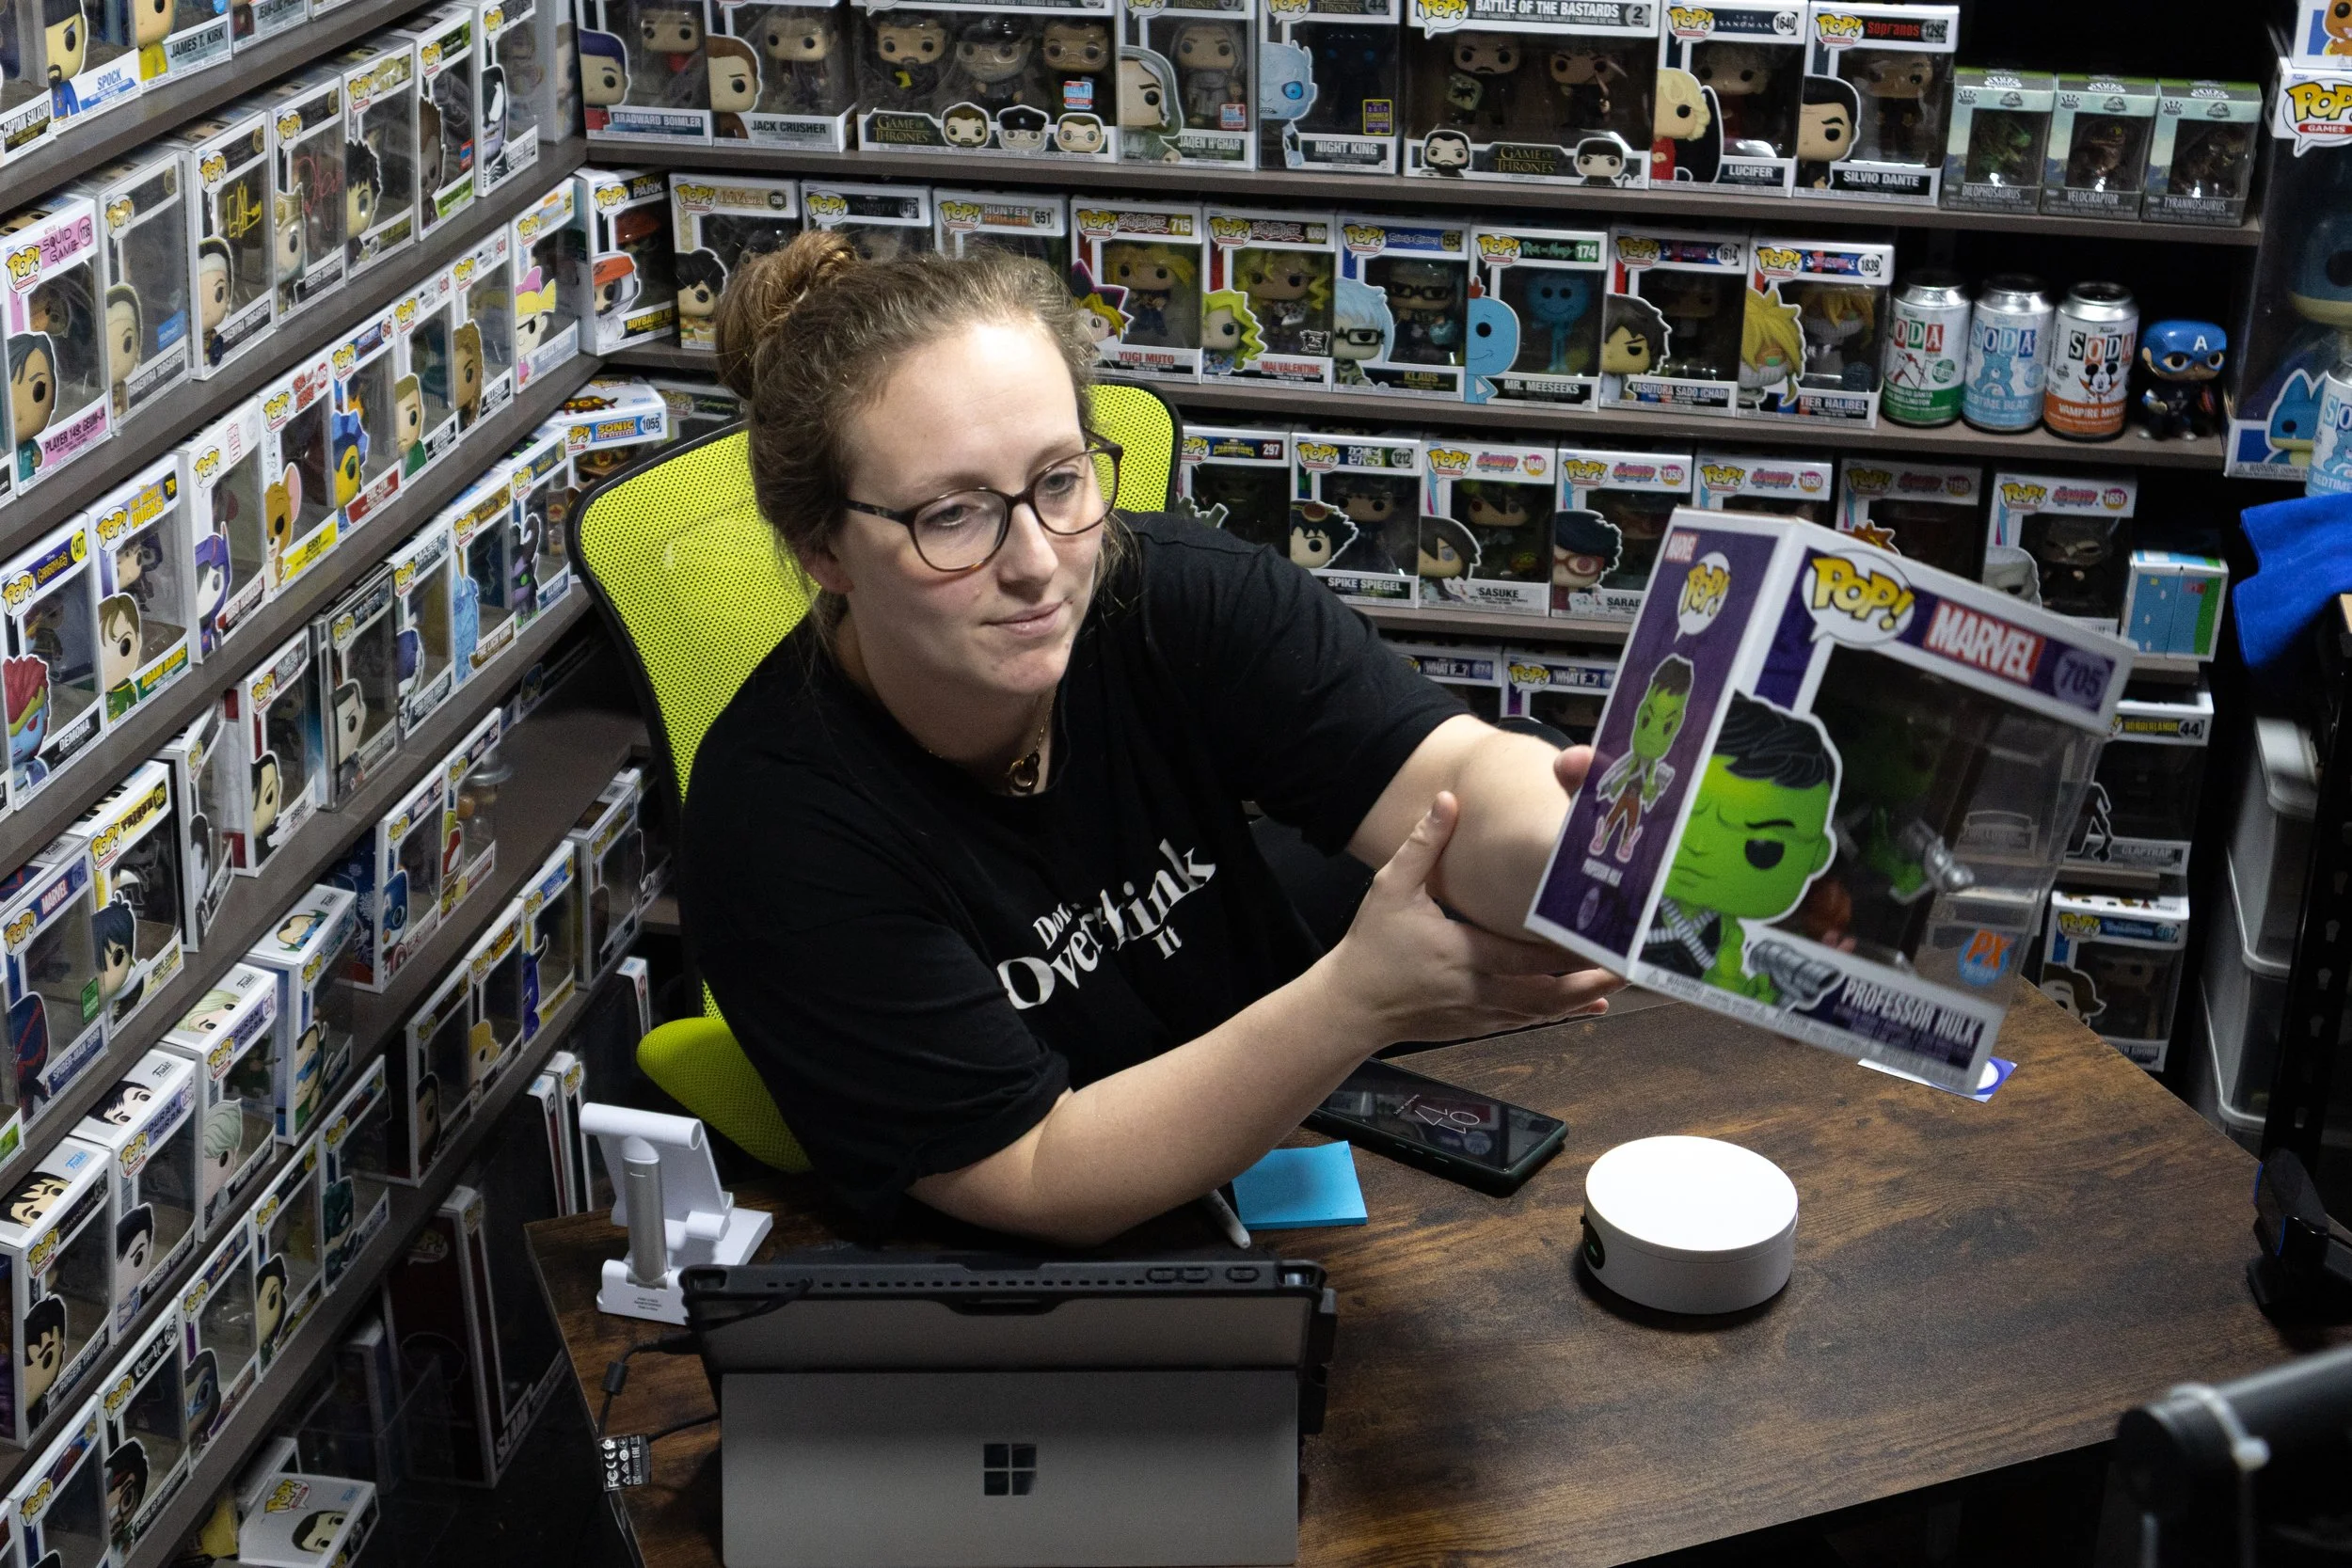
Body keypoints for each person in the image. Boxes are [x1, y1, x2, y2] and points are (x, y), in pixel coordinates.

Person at [682, 233, 1622, 1246]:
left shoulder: (1169, 591)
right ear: (824, 546)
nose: (1040, 564)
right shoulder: (773, 824)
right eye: (953, 514)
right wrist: (1357, 1000)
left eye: (1060, 480)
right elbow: (1034, 1172)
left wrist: (1579, 858)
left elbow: (1448, 772)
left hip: (1263, 1139)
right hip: (1043, 1301)